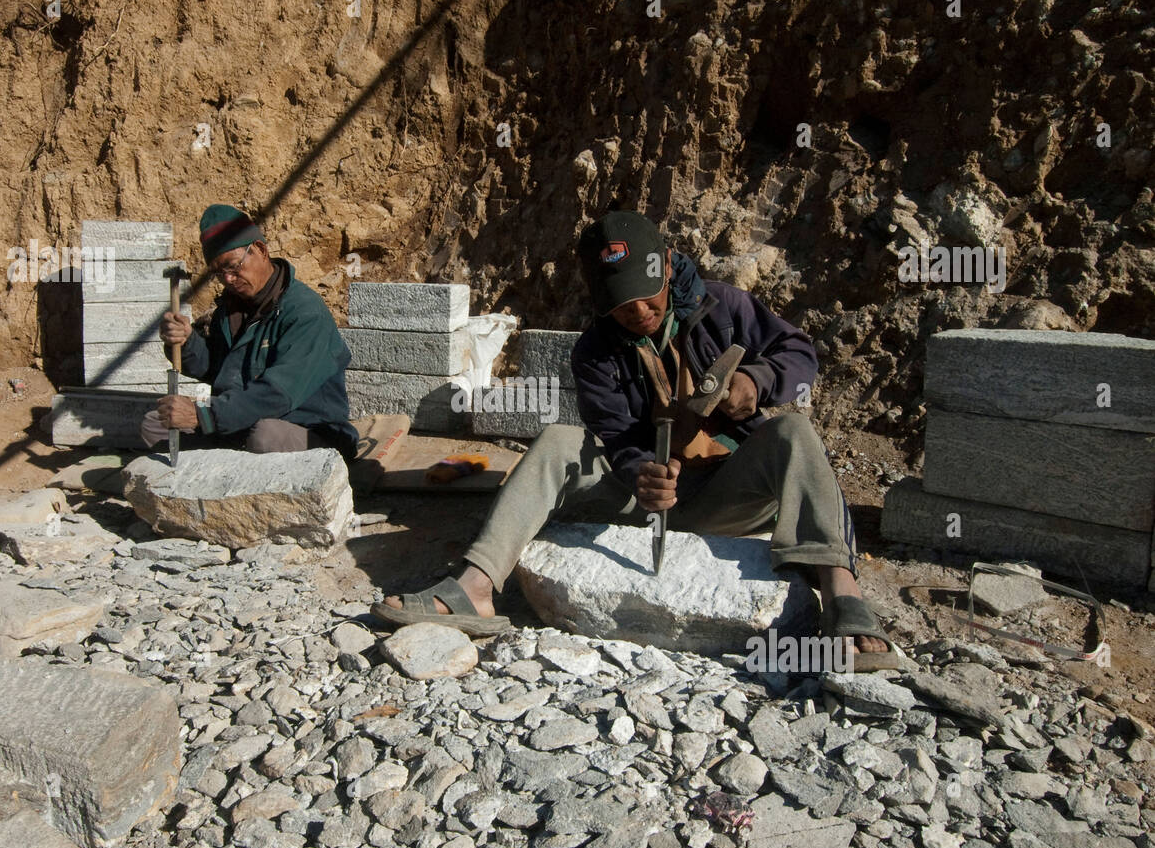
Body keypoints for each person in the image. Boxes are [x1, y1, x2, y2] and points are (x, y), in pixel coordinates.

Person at [375, 210, 903, 671]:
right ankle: (476, 587)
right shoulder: (595, 352)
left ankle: (840, 594)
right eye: (621, 304)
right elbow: (617, 436)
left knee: (792, 431)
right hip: (643, 499)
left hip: (730, 493)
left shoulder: (726, 307)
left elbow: (801, 357)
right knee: (559, 440)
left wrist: (757, 382)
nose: (638, 313)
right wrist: (638, 472)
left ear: (668, 265)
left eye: (645, 297)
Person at [141, 204, 359, 459]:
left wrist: (204, 416)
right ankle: (224, 467)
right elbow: (216, 369)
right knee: (155, 423)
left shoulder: (304, 313)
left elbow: (277, 394)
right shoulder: (231, 308)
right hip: (240, 421)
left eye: (233, 266)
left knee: (264, 437)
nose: (228, 279)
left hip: (305, 427)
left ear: (260, 250)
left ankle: (225, 466)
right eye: (218, 273)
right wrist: (187, 342)